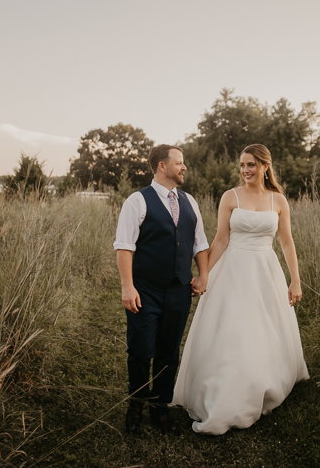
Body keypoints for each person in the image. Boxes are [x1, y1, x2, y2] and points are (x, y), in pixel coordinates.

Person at [172, 143, 309, 434]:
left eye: (252, 165)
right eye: (242, 166)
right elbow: (221, 238)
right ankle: (223, 392)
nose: (246, 170)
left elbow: (286, 242)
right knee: (232, 329)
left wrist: (295, 279)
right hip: (233, 269)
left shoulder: (278, 201)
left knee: (263, 329)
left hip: (265, 271)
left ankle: (261, 381)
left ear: (265, 166)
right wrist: (204, 274)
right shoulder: (230, 197)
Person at [114, 144, 209, 435]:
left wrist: (203, 275)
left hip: (179, 290)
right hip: (145, 290)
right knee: (142, 351)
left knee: (169, 352)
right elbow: (124, 246)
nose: (184, 168)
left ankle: (161, 409)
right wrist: (127, 286)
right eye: (179, 163)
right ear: (162, 167)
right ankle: (136, 406)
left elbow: (199, 243)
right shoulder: (137, 201)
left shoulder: (190, 201)